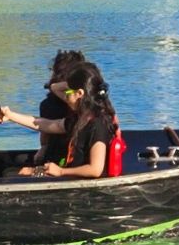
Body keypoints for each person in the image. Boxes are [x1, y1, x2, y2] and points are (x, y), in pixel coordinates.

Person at [16, 52, 121, 181]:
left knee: (19, 173)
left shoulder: (97, 124)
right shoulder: (79, 119)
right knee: (20, 170)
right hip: (67, 172)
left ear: (79, 93)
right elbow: (44, 124)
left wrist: (61, 171)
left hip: (75, 177)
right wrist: (10, 116)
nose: (64, 96)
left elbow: (95, 169)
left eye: (67, 92)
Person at [0, 52, 75, 163]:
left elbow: (44, 131)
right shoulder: (74, 119)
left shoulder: (50, 105)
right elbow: (44, 125)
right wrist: (10, 115)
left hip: (61, 163)